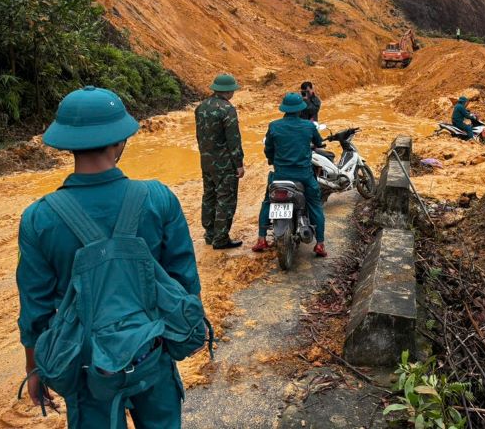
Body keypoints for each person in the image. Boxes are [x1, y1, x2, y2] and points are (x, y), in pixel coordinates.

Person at [16, 86, 200, 428]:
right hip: (151, 351)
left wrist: (34, 369)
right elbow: (185, 280)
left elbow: (35, 311)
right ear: (120, 142)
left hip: (86, 366)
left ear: (67, 143)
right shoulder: (158, 199)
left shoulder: (39, 218)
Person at [253, 93, 327, 257]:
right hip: (304, 176)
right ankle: (320, 243)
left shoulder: (274, 126)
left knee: (267, 202)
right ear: (301, 109)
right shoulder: (309, 126)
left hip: (280, 175)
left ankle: (261, 238)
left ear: (284, 109)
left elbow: (268, 149)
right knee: (315, 203)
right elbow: (319, 142)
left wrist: (272, 160)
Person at [195, 74, 244, 249]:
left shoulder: (201, 107)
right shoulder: (227, 109)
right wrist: (239, 164)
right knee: (226, 199)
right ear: (228, 91)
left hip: (206, 161)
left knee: (209, 196)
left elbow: (199, 136)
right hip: (224, 164)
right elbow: (233, 140)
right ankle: (221, 239)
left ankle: (209, 234)